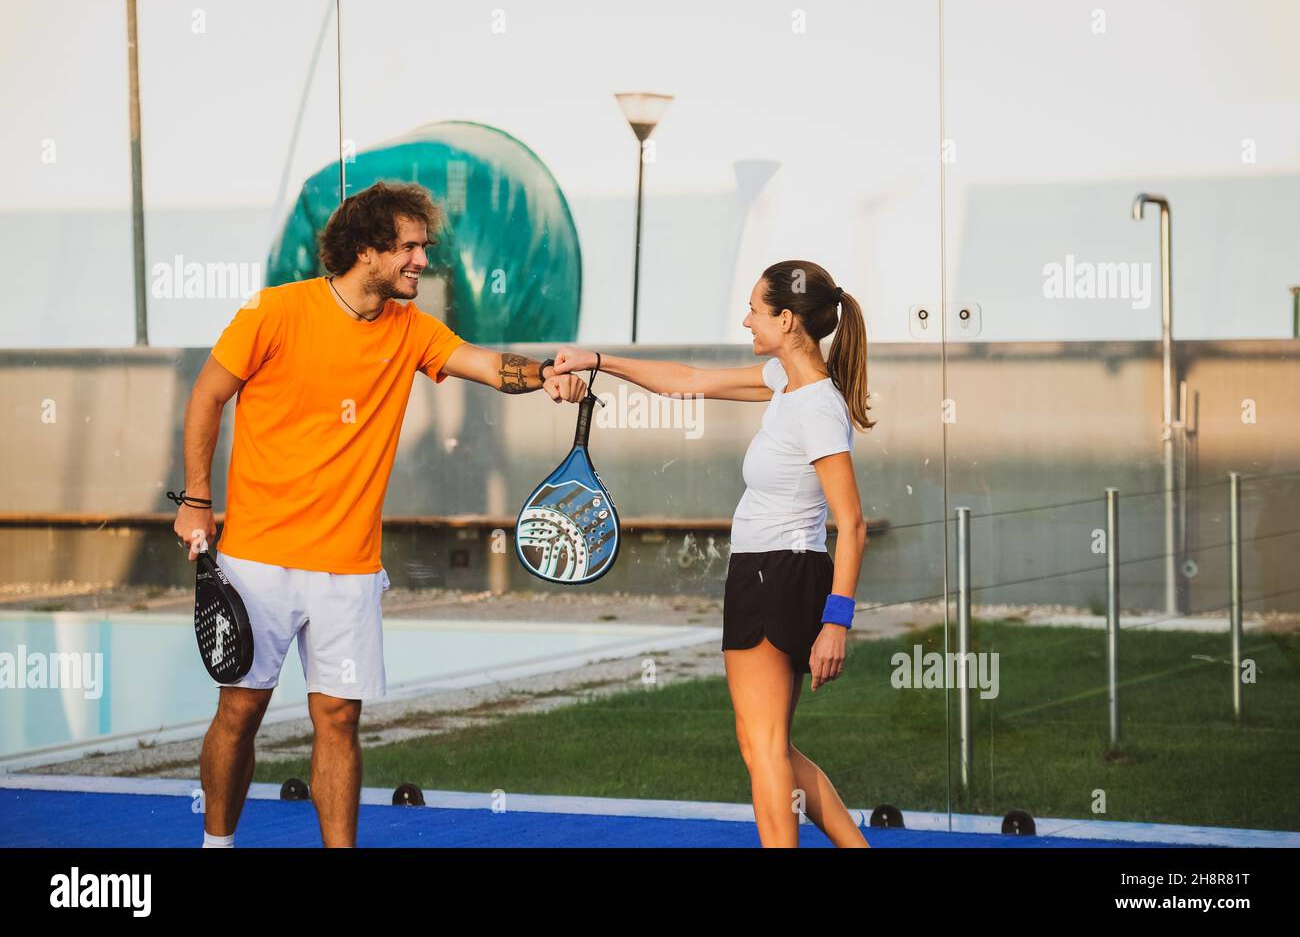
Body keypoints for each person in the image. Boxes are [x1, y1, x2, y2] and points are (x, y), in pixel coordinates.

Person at [171, 180, 587, 848]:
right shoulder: (274, 312)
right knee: (240, 712)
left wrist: (544, 374)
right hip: (257, 558)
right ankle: (215, 844)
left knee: (338, 719)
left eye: (424, 247)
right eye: (411, 248)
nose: (423, 260)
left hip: (349, 566)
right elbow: (208, 395)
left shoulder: (411, 330)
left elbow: (482, 363)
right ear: (366, 251)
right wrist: (196, 499)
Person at [553, 260, 874, 847]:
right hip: (774, 572)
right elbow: (687, 380)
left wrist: (837, 622)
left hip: (774, 575)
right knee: (766, 744)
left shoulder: (816, 408)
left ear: (787, 319)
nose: (745, 318)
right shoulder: (788, 383)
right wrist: (600, 361)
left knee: (765, 749)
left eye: (755, 308)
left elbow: (851, 525)